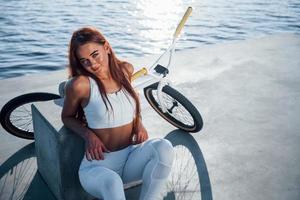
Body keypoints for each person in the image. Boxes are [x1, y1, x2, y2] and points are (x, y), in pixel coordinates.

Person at [61, 26, 174, 200]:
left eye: (95, 55)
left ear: (106, 47)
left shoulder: (125, 70)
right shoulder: (80, 85)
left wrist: (138, 122)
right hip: (98, 169)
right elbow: (67, 117)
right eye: (84, 61)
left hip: (130, 157)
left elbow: (128, 101)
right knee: (112, 182)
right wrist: (88, 135)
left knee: (164, 147)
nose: (93, 65)